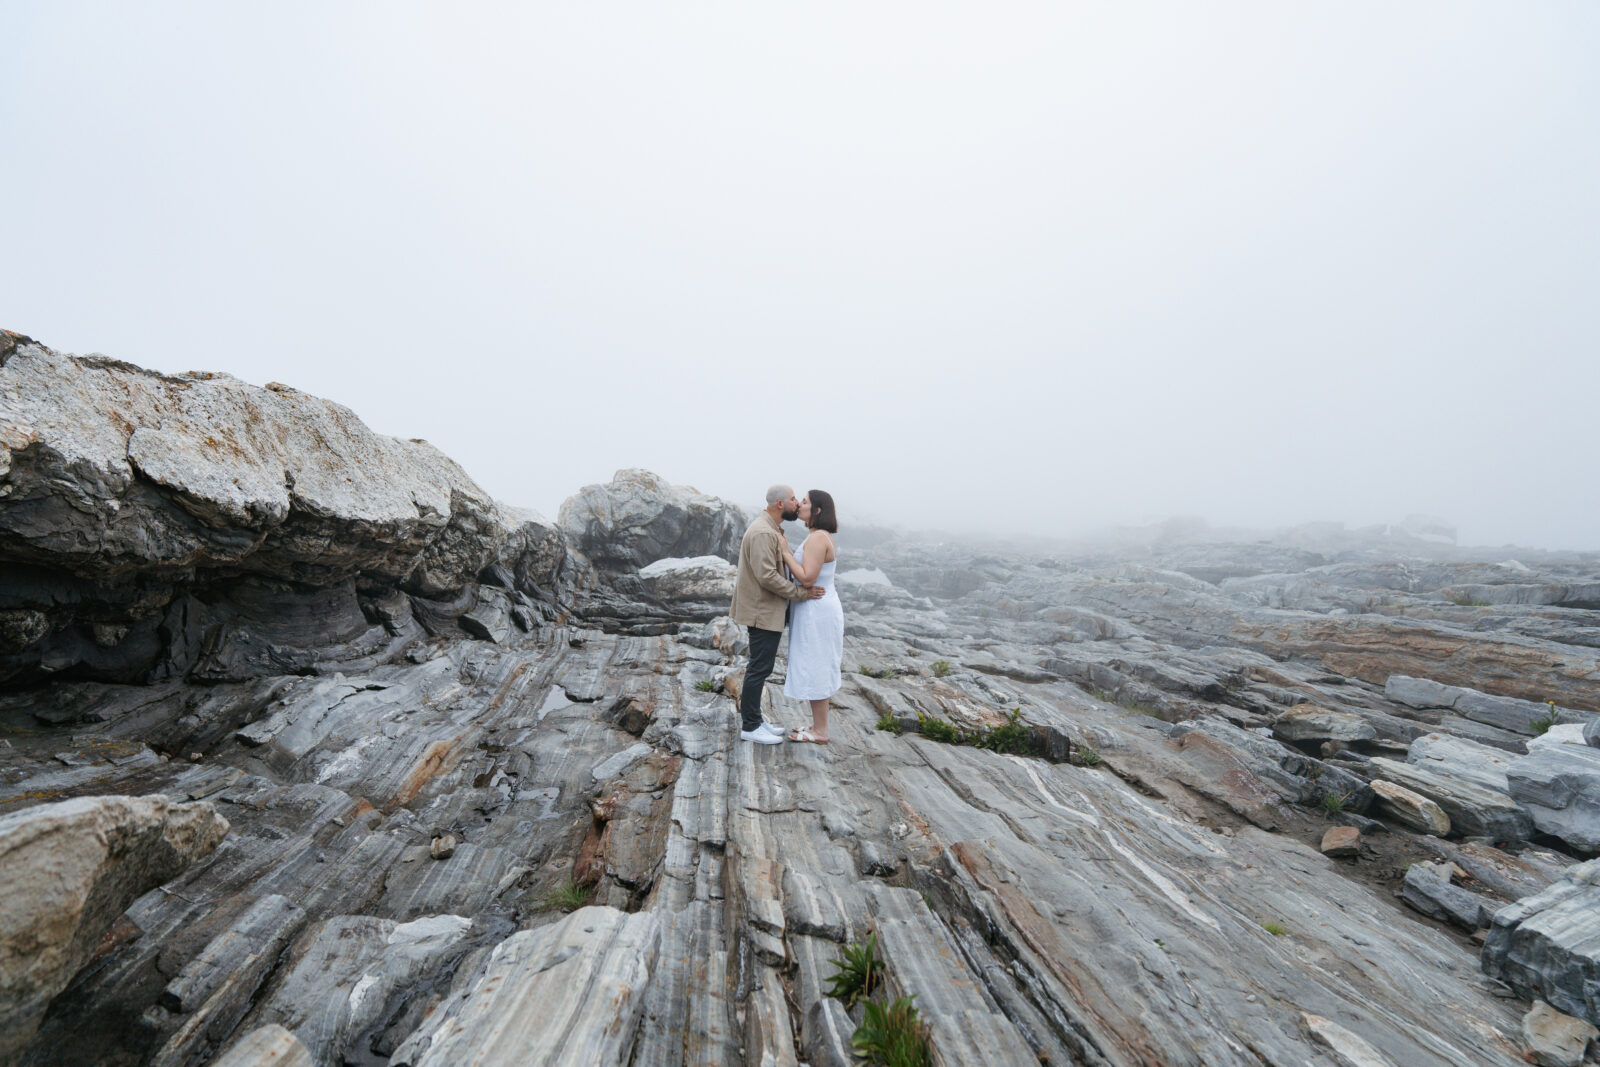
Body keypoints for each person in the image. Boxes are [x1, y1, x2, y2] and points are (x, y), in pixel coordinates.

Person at [729, 484, 825, 744]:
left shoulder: (771, 529)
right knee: (759, 667)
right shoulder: (763, 532)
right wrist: (801, 593)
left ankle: (756, 720)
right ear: (781, 504)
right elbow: (767, 576)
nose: (797, 503)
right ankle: (750, 726)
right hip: (761, 610)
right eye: (794, 499)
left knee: (762, 665)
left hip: (766, 608)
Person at [780, 490, 842, 743]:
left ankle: (821, 731)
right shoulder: (817, 537)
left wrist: (785, 552)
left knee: (817, 663)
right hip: (814, 609)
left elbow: (807, 578)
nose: (800, 506)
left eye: (804, 502)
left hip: (817, 611)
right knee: (816, 661)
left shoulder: (818, 539)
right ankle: (818, 725)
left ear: (817, 510)